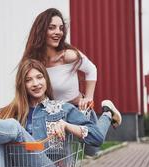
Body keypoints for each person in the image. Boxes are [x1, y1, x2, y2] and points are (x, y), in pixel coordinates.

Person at [19, 8, 122, 155]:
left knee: (92, 149)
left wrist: (89, 97)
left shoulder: (67, 55)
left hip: (75, 109)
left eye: (61, 28)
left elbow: (91, 69)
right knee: (58, 154)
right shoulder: (34, 61)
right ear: (41, 30)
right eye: (52, 27)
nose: (58, 32)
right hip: (53, 113)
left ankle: (107, 113)